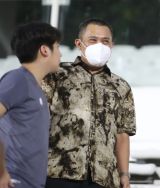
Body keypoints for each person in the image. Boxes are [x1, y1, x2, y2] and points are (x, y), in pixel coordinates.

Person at [42, 18, 136, 188]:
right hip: (58, 173)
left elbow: (122, 134)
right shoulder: (57, 75)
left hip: (104, 178)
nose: (99, 45)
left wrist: (124, 174)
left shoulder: (121, 87)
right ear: (79, 43)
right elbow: (38, 119)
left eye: (105, 41)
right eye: (93, 40)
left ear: (112, 45)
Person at [0, 22, 61, 188]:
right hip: (14, 181)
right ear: (44, 50)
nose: (61, 54)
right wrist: (1, 172)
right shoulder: (18, 79)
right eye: (58, 47)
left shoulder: (34, 87)